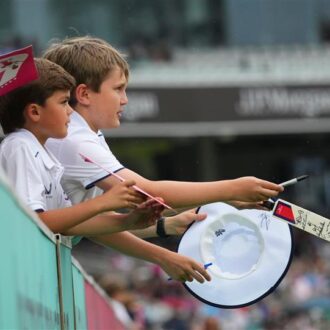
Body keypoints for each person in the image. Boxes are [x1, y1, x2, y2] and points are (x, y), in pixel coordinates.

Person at [43, 36, 284, 238]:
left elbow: (96, 221)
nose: (125, 99)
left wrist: (221, 200)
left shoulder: (87, 133)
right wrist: (232, 189)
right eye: (118, 89)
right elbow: (146, 192)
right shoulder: (75, 140)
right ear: (84, 94)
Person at [0, 57, 211, 283]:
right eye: (63, 102)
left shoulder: (42, 152)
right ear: (34, 112)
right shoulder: (20, 146)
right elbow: (36, 221)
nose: (70, 112)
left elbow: (72, 226)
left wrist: (128, 221)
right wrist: (105, 202)